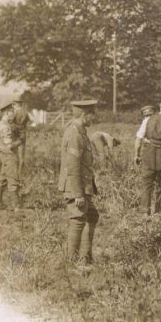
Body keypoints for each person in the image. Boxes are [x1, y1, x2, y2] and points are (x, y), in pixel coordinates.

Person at [58, 100, 99, 264]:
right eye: (92, 114)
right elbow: (72, 166)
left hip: (83, 185)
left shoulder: (80, 131)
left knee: (92, 216)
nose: (94, 117)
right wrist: (77, 194)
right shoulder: (75, 134)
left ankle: (85, 257)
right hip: (77, 187)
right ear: (84, 115)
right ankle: (73, 261)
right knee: (77, 219)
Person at [135, 100, 161, 220]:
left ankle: (145, 212)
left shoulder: (147, 120)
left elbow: (138, 139)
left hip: (148, 154)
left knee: (146, 183)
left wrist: (136, 155)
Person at [0, 102, 24, 212]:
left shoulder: (2, 124)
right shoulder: (5, 126)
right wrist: (20, 141)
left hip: (4, 155)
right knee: (13, 181)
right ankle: (18, 207)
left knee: (2, 180)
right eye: (12, 113)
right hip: (9, 156)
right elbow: (9, 145)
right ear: (7, 113)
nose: (14, 115)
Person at [11, 99, 29, 173]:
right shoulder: (25, 113)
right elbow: (25, 123)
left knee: (15, 155)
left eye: (14, 105)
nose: (13, 107)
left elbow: (11, 122)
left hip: (16, 135)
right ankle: (20, 173)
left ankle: (16, 173)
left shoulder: (15, 113)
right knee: (21, 156)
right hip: (23, 135)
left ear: (17, 105)